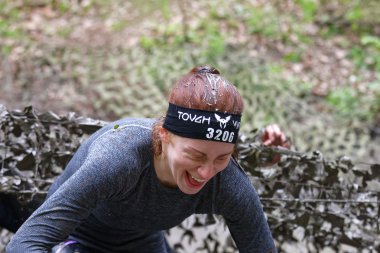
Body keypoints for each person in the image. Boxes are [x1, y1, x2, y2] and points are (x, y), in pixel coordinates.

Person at [6, 66, 289, 253]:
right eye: (195, 155)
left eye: (222, 158)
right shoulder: (119, 160)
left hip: (143, 243)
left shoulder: (227, 182)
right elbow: (24, 243)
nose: (206, 172)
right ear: (164, 135)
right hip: (77, 237)